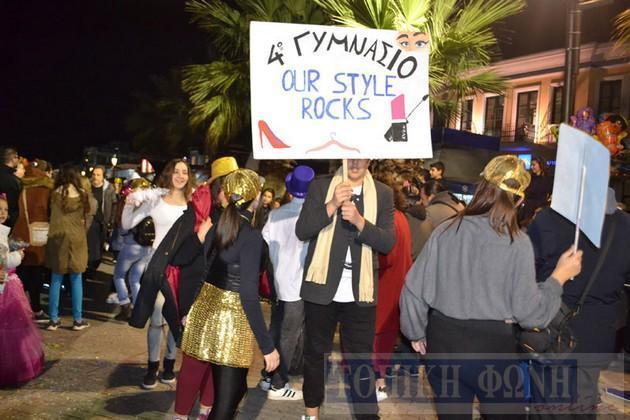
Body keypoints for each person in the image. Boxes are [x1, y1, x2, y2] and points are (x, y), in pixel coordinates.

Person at [399, 155, 583, 419]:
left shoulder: (446, 230)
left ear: (482, 187)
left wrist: (415, 332)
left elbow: (413, 289)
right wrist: (559, 277)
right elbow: (532, 314)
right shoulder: (516, 243)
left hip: (443, 343)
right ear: (518, 200)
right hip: (491, 349)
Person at [174, 168, 280, 420]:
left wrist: (192, 309)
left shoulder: (217, 226)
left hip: (206, 310)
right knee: (225, 405)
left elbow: (204, 271)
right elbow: (248, 295)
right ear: (255, 197)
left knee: (232, 393)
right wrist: (267, 347)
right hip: (231, 322)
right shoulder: (251, 237)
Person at [296, 159, 395, 420]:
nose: (355, 162)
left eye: (361, 156)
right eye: (350, 155)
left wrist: (361, 222)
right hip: (321, 289)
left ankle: (368, 416)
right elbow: (302, 230)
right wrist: (331, 205)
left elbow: (387, 242)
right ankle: (311, 414)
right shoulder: (321, 186)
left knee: (361, 361)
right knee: (315, 355)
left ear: (370, 158)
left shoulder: (383, 193)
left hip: (361, 293)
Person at [527, 188, 630, 419]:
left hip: (552, 327)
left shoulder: (548, 219)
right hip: (596, 335)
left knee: (547, 404)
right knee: (583, 403)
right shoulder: (625, 226)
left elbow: (527, 272)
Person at [123, 159, 195, 389]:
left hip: (183, 268)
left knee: (177, 318)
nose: (181, 176)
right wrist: (129, 204)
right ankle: (152, 367)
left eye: (185, 172)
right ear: (169, 174)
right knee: (156, 318)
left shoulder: (193, 204)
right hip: (158, 266)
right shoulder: (156, 200)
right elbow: (127, 223)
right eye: (176, 171)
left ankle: (169, 364)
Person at [259, 165, 315, 401]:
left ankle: (267, 376)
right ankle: (278, 384)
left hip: (277, 282)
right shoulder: (313, 217)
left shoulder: (276, 214)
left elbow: (265, 241)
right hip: (298, 285)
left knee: (276, 329)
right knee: (289, 335)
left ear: (290, 190)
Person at [370, 172, 412, 402]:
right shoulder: (400, 217)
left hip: (384, 286)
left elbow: (387, 257)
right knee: (384, 339)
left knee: (376, 339)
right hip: (396, 286)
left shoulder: (390, 220)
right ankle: (379, 382)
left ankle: (376, 384)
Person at [0, 193, 45, 387]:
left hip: (9, 284)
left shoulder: (3, 231)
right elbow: (4, 261)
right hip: (5, 288)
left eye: (5, 210)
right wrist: (18, 256)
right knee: (9, 330)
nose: (3, 213)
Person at [44, 165, 92, 331]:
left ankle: (53, 319)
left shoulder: (54, 193)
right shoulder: (82, 194)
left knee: (56, 278)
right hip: (77, 238)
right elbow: (87, 215)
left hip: (58, 237)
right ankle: (77, 320)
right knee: (76, 278)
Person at [13, 162, 54, 322]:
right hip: (38, 237)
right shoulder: (46, 190)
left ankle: (18, 306)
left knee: (22, 273)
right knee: (36, 273)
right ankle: (36, 308)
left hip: (22, 234)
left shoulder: (23, 188)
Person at [111, 178, 154, 321]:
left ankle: (125, 305)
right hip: (147, 247)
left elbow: (124, 229)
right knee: (135, 279)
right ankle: (139, 309)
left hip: (131, 245)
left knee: (118, 276)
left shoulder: (132, 204)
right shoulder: (152, 205)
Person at [86, 166, 117, 278]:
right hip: (89, 221)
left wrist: (111, 221)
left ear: (103, 176)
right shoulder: (87, 186)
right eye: (94, 174)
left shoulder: (109, 189)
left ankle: (93, 267)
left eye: (98, 175)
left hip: (102, 222)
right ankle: (87, 270)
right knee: (89, 247)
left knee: (99, 249)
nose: (95, 177)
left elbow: (114, 205)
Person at [518, 156, 552, 226]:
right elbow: (525, 194)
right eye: (531, 165)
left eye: (534, 165)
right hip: (527, 209)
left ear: (540, 165)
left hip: (539, 211)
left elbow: (552, 196)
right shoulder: (530, 178)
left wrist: (542, 207)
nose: (531, 167)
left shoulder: (548, 179)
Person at [0, 147, 22, 228]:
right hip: (10, 221)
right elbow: (16, 202)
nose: (18, 160)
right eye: (17, 157)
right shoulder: (13, 180)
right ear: (13, 158)